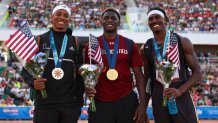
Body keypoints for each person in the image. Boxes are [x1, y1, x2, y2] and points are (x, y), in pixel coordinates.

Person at [22, 4, 84, 123]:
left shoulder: (76, 43)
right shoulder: (39, 40)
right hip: (44, 103)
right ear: (52, 17)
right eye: (58, 14)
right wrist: (32, 82)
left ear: (69, 19)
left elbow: (80, 73)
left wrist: (79, 103)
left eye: (66, 15)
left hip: (69, 105)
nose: (62, 17)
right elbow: (26, 69)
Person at [84, 8, 148, 123]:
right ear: (101, 21)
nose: (110, 20)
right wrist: (86, 87)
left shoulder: (129, 43)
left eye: (113, 18)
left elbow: (139, 76)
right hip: (100, 101)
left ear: (119, 22)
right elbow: (84, 73)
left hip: (126, 100)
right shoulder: (92, 45)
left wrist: (143, 105)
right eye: (106, 18)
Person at [140, 7, 202, 123]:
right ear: (148, 24)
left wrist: (180, 90)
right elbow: (148, 80)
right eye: (151, 19)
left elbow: (198, 72)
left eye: (157, 17)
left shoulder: (182, 41)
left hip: (180, 96)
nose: (154, 21)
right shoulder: (146, 48)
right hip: (159, 99)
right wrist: (143, 107)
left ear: (165, 20)